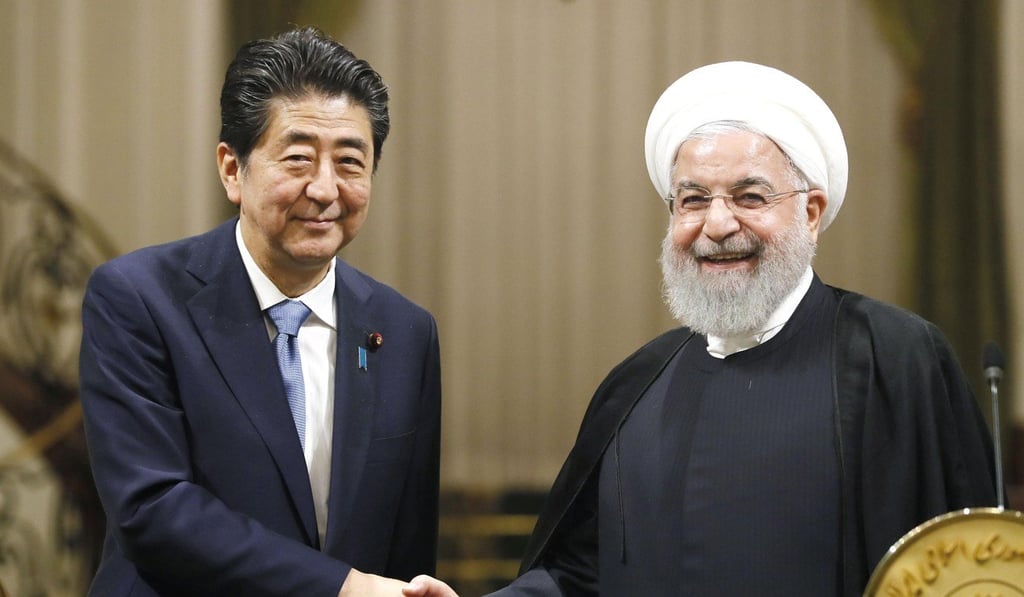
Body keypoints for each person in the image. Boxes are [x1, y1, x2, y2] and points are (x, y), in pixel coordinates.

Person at [404, 61, 999, 596]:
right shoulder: (634, 386)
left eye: (749, 195)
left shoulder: (896, 360)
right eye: (692, 199)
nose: (716, 224)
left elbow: (972, 574)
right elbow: (581, 576)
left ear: (811, 214)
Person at [80, 27, 441, 596]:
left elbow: (406, 540)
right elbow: (151, 509)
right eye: (298, 158)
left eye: (350, 161)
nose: (325, 189)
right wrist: (342, 587)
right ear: (232, 169)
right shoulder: (139, 299)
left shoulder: (404, 330)